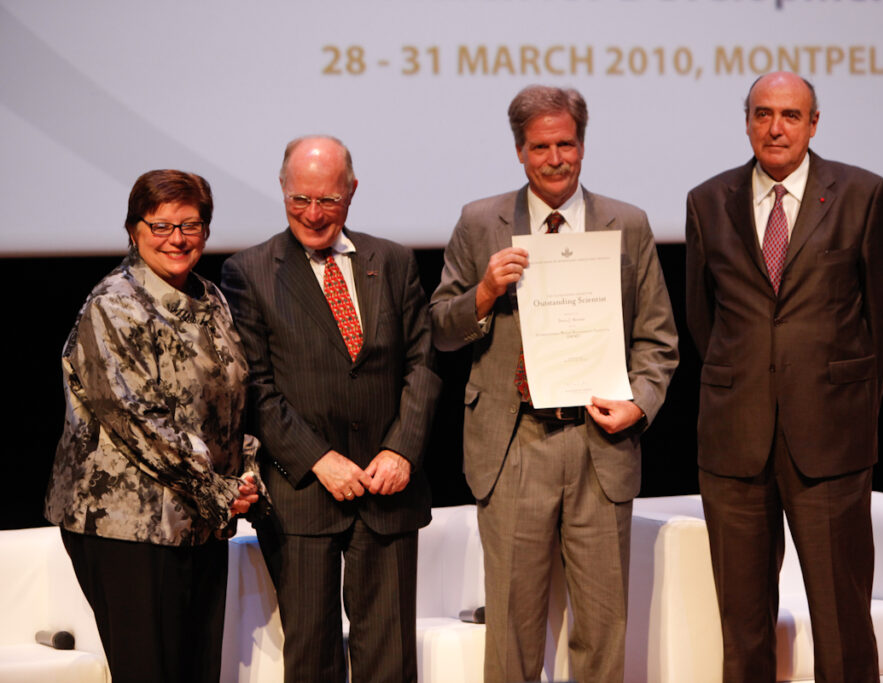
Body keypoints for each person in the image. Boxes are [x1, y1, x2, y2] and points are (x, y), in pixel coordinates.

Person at [430, 85, 679, 683]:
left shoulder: (629, 223)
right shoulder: (479, 222)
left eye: (566, 143)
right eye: (541, 146)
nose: (555, 158)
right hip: (514, 442)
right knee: (512, 631)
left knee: (601, 627)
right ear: (520, 151)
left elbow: (659, 340)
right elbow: (440, 328)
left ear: (583, 146)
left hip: (599, 442)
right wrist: (484, 293)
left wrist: (638, 405)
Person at [684, 71, 883, 681]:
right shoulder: (708, 201)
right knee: (743, 629)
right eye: (762, 113)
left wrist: (845, 400)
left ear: (813, 123)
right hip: (735, 443)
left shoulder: (862, 194)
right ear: (748, 121)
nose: (775, 127)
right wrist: (751, 384)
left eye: (790, 115)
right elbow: (704, 322)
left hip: (831, 440)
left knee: (841, 625)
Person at [220, 135, 441, 683]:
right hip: (303, 496)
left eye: (328, 201)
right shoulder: (249, 272)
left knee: (389, 661)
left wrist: (401, 449)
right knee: (313, 659)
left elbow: (423, 364)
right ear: (282, 190)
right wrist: (320, 459)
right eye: (300, 200)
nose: (314, 214)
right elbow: (257, 388)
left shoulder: (392, 260)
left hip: (388, 490)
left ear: (352, 192)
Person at [44, 169, 262, 683]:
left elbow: (231, 400)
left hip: (197, 521)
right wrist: (217, 489)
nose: (177, 239)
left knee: (198, 670)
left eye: (190, 225)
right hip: (129, 526)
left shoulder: (212, 298)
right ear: (133, 229)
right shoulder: (114, 304)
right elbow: (136, 419)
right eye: (161, 225)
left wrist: (244, 472)